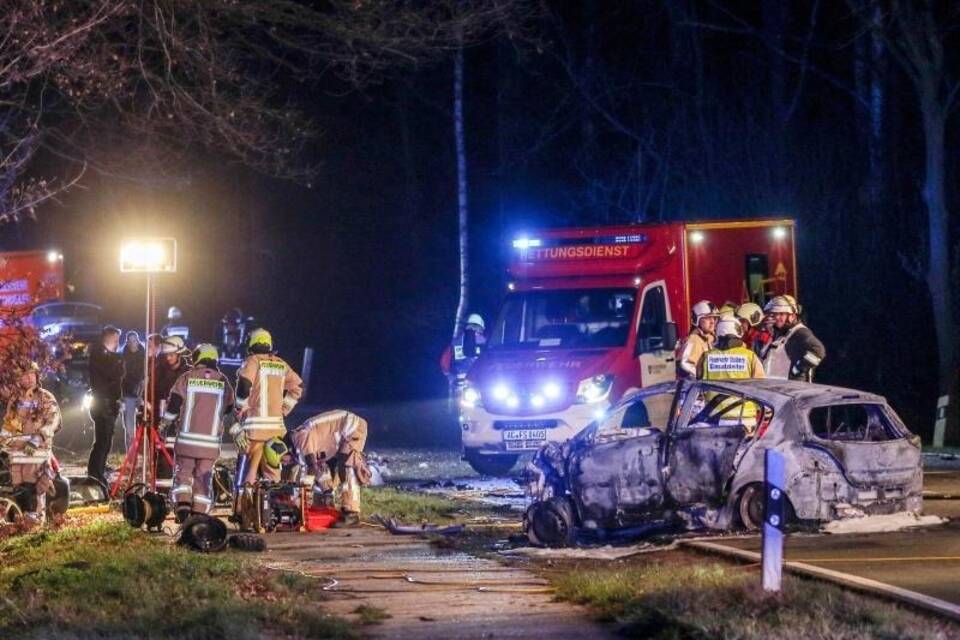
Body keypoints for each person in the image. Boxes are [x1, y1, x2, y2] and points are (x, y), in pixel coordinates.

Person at [161, 344, 235, 521]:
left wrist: (165, 423)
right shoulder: (222, 381)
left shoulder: (188, 377)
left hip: (187, 440)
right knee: (204, 477)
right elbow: (229, 407)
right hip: (210, 442)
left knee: (183, 473)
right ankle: (199, 514)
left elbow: (174, 404)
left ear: (198, 358)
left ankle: (183, 508)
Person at [229, 328, 303, 486]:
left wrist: (239, 408)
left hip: (254, 430)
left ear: (252, 344)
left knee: (247, 472)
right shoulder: (281, 364)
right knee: (272, 471)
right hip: (276, 430)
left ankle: (242, 505)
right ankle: (272, 505)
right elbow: (298, 387)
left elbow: (244, 384)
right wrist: (284, 410)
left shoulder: (253, 361)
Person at [0, 363, 61, 524]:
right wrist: (3, 440)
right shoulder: (15, 400)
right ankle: (25, 517)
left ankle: (36, 519)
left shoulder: (46, 397)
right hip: (18, 449)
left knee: (33, 481)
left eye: (30, 374)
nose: (27, 379)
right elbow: (8, 425)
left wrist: (37, 439)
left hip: (38, 449)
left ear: (36, 376)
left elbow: (52, 423)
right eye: (23, 375)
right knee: (18, 483)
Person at [289, 410, 369, 528]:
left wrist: (304, 497)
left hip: (353, 427)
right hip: (341, 432)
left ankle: (352, 513)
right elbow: (319, 466)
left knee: (347, 466)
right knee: (329, 465)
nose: (284, 463)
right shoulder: (301, 444)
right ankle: (336, 500)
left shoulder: (300, 437)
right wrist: (327, 491)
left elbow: (311, 467)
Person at [697, 316, 765, 434]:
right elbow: (762, 387)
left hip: (715, 419)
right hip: (745, 420)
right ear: (738, 333)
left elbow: (699, 385)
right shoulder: (750, 356)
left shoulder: (706, 357)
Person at [153, 335, 192, 490]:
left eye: (171, 355)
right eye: (166, 355)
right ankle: (162, 491)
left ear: (179, 354)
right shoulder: (159, 370)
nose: (168, 358)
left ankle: (182, 487)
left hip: (184, 421)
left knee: (184, 456)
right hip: (164, 420)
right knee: (163, 454)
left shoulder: (189, 372)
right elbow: (154, 391)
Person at [87, 325, 124, 485]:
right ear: (108, 338)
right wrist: (118, 362)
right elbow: (110, 374)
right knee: (102, 441)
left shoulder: (105, 355)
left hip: (107, 403)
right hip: (103, 404)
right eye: (116, 339)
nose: (117, 342)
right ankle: (95, 474)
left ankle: (99, 469)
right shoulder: (100, 355)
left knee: (105, 441)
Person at [760, 295, 826, 381]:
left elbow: (819, 350)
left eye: (781, 314)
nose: (776, 317)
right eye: (775, 314)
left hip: (793, 390)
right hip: (777, 389)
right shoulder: (781, 334)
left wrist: (796, 370)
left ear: (792, 316)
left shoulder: (800, 332)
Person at [676, 300, 719, 378]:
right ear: (697, 320)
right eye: (708, 317)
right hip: (701, 388)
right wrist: (700, 379)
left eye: (714, 317)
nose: (712, 321)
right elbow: (684, 365)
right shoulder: (694, 340)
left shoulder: (711, 339)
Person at [120, 331, 144, 451]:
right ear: (127, 342)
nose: (132, 343)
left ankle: (145, 455)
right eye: (130, 341)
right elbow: (120, 375)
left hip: (142, 393)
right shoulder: (124, 355)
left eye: (134, 340)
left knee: (145, 424)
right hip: (128, 393)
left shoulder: (143, 354)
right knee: (129, 427)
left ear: (138, 341)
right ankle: (130, 456)